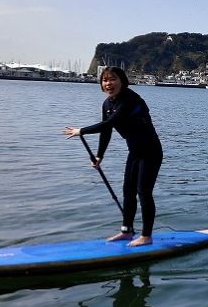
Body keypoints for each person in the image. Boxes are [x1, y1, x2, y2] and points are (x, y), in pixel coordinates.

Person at [64, 66, 163, 247]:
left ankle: (146, 236)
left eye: (113, 79)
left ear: (122, 81)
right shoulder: (108, 104)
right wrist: (99, 156)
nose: (108, 83)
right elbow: (107, 131)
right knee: (128, 192)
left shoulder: (130, 99)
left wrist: (81, 131)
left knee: (144, 192)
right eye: (105, 80)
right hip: (134, 152)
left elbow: (110, 123)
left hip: (151, 151)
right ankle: (127, 231)